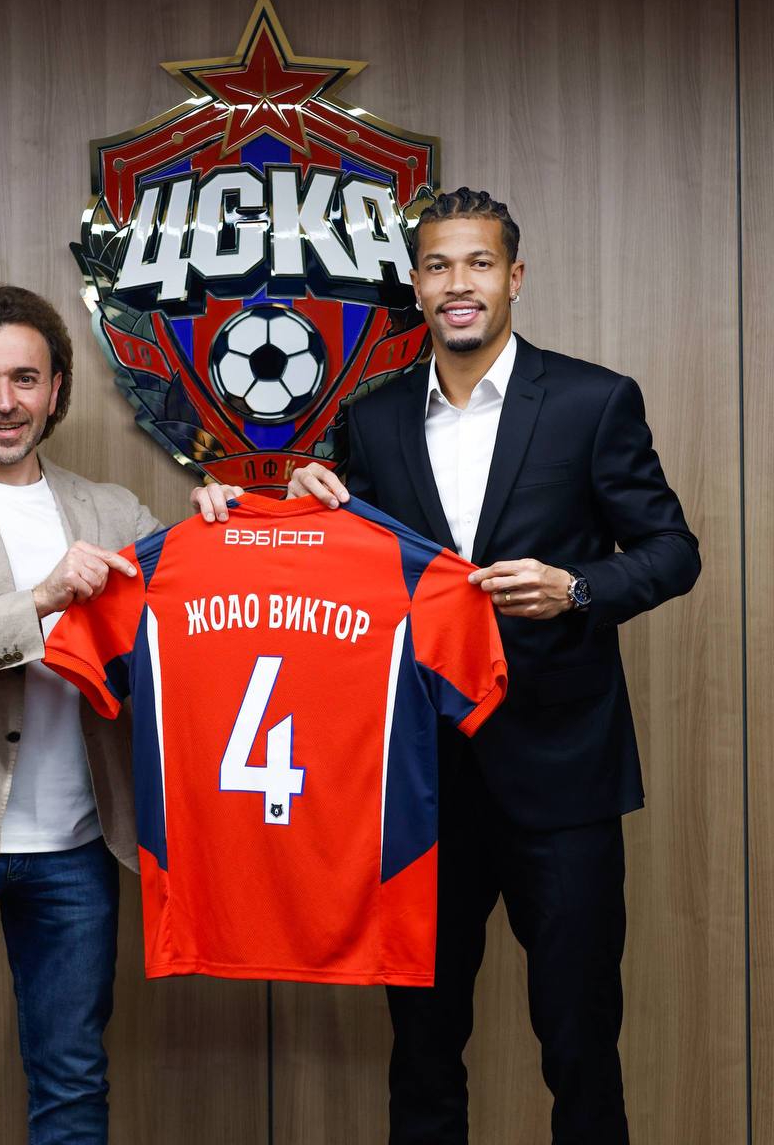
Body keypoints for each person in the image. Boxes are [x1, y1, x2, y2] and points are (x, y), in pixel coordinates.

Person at [283, 188, 701, 1144]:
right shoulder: (373, 419)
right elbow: (352, 574)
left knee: (579, 1041)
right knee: (422, 1048)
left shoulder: (593, 400)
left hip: (563, 775)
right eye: (437, 265)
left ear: (513, 278)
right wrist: (301, 502)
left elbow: (672, 552)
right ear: (415, 285)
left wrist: (576, 588)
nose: (457, 283)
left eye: (477, 263)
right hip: (421, 782)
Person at [0, 284, 230, 1144]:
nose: (4, 401)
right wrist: (41, 601)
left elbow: (195, 622)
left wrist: (228, 519)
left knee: (72, 1084)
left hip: (78, 847)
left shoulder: (113, 511)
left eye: (24, 378)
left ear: (55, 389)